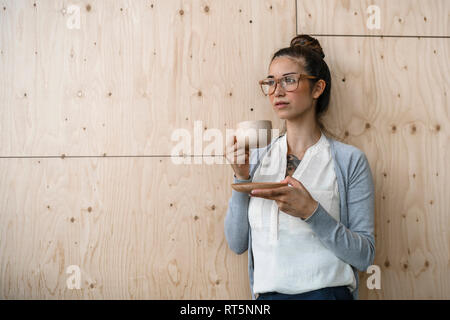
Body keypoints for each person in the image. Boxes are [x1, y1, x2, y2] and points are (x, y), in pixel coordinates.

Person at [224, 34, 375, 300]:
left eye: (289, 80)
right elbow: (237, 244)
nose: (277, 91)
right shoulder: (256, 160)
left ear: (317, 89)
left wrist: (312, 212)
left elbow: (364, 256)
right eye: (270, 82)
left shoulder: (349, 161)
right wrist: (241, 178)